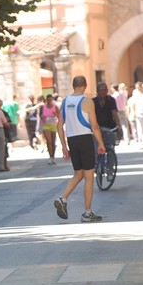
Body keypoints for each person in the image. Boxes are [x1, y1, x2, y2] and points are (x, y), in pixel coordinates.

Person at [54, 76, 106, 223]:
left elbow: (59, 126)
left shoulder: (65, 102)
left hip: (72, 140)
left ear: (73, 85)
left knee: (78, 173)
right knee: (89, 176)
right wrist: (101, 143)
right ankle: (87, 212)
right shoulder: (87, 102)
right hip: (85, 139)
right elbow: (94, 126)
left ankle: (62, 198)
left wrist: (64, 146)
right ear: (85, 85)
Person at [40, 94, 60, 164]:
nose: (49, 101)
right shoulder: (43, 107)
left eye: (50, 100)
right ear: (46, 100)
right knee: (49, 141)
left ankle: (53, 157)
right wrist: (42, 117)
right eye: (48, 100)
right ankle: (50, 156)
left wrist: (55, 114)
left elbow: (59, 116)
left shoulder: (55, 107)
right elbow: (40, 115)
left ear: (52, 100)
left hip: (53, 125)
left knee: (53, 142)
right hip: (46, 125)